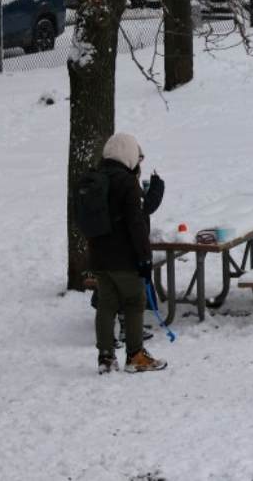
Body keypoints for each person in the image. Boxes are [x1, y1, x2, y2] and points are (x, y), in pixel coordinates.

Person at [89, 132, 167, 374]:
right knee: (134, 303)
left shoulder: (95, 180)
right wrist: (144, 258)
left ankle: (105, 357)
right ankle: (135, 355)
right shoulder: (126, 183)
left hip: (100, 257)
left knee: (106, 305)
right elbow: (137, 224)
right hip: (125, 258)